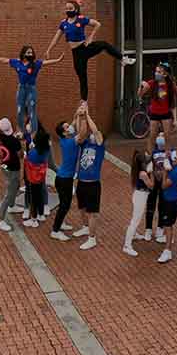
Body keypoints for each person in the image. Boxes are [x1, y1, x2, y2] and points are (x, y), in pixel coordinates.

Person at [45, 0, 134, 104]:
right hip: (76, 53)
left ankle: (122, 58)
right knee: (82, 77)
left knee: (103, 44)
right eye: (67, 8)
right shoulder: (63, 23)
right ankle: (84, 101)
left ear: (76, 9)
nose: (68, 10)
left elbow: (97, 24)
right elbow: (56, 38)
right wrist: (49, 50)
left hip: (85, 48)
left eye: (70, 8)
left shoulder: (81, 19)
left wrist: (90, 37)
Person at [0, 46, 63, 135]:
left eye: (31, 53)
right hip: (21, 88)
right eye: (28, 52)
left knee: (31, 112)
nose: (30, 54)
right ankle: (20, 130)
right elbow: (5, 60)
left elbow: (46, 63)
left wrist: (58, 60)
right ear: (23, 54)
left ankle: (34, 133)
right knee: (20, 110)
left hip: (31, 89)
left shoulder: (35, 64)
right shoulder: (17, 62)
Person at [70, 105, 105, 250]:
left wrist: (88, 115)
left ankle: (92, 238)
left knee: (92, 213)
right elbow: (79, 131)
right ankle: (85, 227)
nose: (93, 135)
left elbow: (95, 131)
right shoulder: (84, 144)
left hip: (93, 184)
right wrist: (79, 115)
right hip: (81, 183)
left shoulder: (99, 146)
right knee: (82, 208)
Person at [157, 148, 177, 263]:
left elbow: (164, 185)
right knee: (167, 225)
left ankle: (168, 250)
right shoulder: (174, 165)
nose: (175, 152)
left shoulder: (176, 171)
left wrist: (165, 171)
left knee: (168, 225)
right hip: (167, 198)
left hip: (171, 201)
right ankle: (167, 239)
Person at [50, 118, 78, 241]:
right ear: (64, 133)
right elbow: (82, 134)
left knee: (63, 204)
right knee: (65, 206)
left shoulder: (63, 139)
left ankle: (60, 224)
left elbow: (72, 125)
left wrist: (78, 113)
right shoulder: (70, 142)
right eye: (67, 127)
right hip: (64, 180)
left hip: (62, 178)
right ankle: (55, 230)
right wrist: (84, 115)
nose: (70, 127)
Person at [0, 118, 23, 233]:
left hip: (4, 166)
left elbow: (8, 140)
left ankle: (12, 205)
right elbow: (20, 155)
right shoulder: (14, 141)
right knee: (9, 193)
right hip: (13, 168)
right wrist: (19, 142)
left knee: (16, 186)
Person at [122, 150, 153, 257]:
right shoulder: (143, 173)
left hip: (139, 195)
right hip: (140, 196)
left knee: (136, 217)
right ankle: (127, 246)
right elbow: (151, 185)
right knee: (135, 220)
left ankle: (134, 235)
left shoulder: (137, 170)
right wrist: (153, 174)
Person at [138, 61, 177, 140]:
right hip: (155, 113)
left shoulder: (170, 86)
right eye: (156, 71)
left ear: (165, 74)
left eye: (159, 72)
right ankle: (151, 151)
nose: (156, 74)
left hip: (166, 114)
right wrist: (141, 86)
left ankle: (165, 150)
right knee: (153, 136)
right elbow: (140, 94)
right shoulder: (152, 83)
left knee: (166, 137)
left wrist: (175, 120)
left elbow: (173, 104)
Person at [23, 129, 50, 227]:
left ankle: (33, 219)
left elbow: (27, 159)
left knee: (33, 198)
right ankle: (41, 214)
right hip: (41, 176)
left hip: (33, 177)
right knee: (40, 195)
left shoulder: (34, 153)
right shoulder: (46, 149)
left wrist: (27, 151)